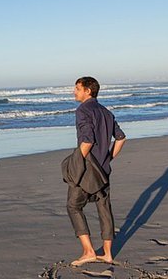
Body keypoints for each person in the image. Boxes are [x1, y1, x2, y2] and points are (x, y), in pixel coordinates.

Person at [67, 76, 127, 266]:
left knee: (73, 206)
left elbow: (87, 141)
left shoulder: (82, 110)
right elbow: (121, 138)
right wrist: (108, 158)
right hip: (104, 168)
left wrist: (77, 163)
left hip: (87, 169)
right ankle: (108, 253)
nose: (74, 91)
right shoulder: (106, 112)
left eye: (77, 88)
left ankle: (89, 251)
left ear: (88, 91)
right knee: (104, 208)